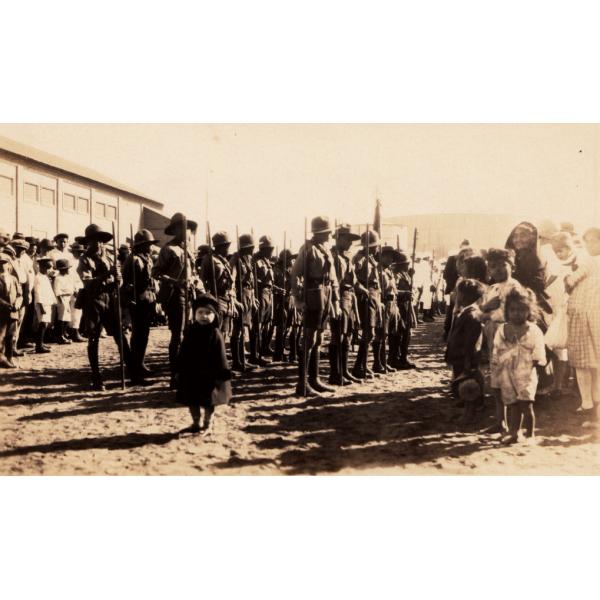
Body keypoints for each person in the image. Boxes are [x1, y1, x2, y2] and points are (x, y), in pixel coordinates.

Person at [78, 223, 135, 390]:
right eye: (94, 241)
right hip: (94, 301)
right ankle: (96, 377)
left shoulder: (110, 256)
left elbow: (119, 278)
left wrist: (119, 279)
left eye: (101, 241)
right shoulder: (84, 259)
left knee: (120, 336)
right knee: (94, 338)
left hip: (111, 298)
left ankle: (133, 372)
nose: (98, 244)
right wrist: (107, 274)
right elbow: (88, 283)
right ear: (88, 242)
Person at [291, 216, 340, 396]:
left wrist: (335, 301)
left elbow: (333, 277)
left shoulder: (325, 249)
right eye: (326, 233)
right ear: (319, 233)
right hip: (313, 294)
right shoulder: (308, 249)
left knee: (319, 338)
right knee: (309, 339)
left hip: (325, 294)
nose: (329, 236)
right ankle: (302, 384)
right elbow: (295, 274)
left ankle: (314, 379)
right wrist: (297, 299)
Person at [153, 212, 202, 388]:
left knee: (189, 335)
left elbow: (194, 272)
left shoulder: (189, 250)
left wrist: (195, 282)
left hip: (190, 295)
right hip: (176, 296)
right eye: (183, 228)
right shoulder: (168, 249)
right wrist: (176, 281)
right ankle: (175, 375)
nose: (187, 232)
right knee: (177, 335)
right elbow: (156, 272)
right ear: (176, 230)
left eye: (189, 228)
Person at [491, 288, 546, 444]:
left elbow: (539, 350)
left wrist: (532, 364)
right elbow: (496, 348)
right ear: (507, 311)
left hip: (526, 373)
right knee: (513, 404)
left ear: (529, 311)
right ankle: (514, 433)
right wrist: (497, 366)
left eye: (522, 310)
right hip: (507, 372)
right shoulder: (503, 329)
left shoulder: (534, 330)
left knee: (526, 404)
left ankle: (530, 434)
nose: (517, 313)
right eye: (513, 310)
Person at [479, 248, 523, 433]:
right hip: (492, 333)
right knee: (496, 381)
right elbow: (482, 315)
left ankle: (515, 428)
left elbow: (521, 315)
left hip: (508, 334)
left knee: (510, 382)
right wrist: (486, 307)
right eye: (492, 267)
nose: (497, 270)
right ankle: (500, 422)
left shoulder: (515, 288)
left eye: (502, 266)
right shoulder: (492, 288)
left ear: (512, 265)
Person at [175, 293, 232, 436]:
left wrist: (223, 372)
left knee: (209, 402)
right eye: (200, 312)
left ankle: (208, 424)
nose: (204, 316)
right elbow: (183, 351)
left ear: (214, 316)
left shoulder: (215, 333)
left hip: (209, 375)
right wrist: (178, 368)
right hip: (192, 373)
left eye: (208, 313)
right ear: (194, 314)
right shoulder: (190, 331)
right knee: (192, 399)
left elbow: (221, 356)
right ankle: (196, 422)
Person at [564, 227, 600, 426]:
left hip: (584, 315)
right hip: (595, 315)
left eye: (593, 241)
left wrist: (567, 281)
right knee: (595, 364)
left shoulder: (589, 261)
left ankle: (588, 403)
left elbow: (571, 280)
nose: (589, 246)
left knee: (582, 362)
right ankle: (593, 403)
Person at [444, 279, 485, 424]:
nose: (455, 295)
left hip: (465, 357)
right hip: (460, 356)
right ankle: (467, 412)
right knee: (463, 385)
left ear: (464, 296)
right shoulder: (465, 312)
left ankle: (469, 414)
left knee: (469, 387)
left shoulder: (472, 316)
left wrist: (468, 359)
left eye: (457, 292)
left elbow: (471, 341)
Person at [122, 229, 159, 383]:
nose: (151, 247)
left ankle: (140, 363)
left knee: (144, 335)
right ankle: (135, 369)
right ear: (142, 245)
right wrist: (131, 295)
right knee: (138, 335)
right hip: (138, 301)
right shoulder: (134, 259)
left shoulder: (147, 258)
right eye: (149, 244)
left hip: (148, 300)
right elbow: (128, 283)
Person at [329, 224, 362, 384]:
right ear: (339, 239)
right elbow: (335, 283)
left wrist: (364, 291)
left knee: (347, 336)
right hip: (339, 298)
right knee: (338, 336)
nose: (350, 243)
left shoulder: (346, 258)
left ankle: (345, 371)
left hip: (349, 298)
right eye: (348, 239)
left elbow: (354, 282)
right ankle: (335, 374)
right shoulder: (333, 258)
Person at [351, 229, 383, 379]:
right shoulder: (359, 259)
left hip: (374, 296)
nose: (377, 248)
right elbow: (352, 279)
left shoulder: (371, 258)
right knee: (368, 332)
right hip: (366, 296)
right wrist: (362, 290)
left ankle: (363, 365)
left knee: (372, 332)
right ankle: (358, 366)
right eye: (375, 245)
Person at [200, 231, 238, 340]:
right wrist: (208, 299)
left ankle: (220, 355)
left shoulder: (225, 261)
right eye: (227, 246)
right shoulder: (209, 259)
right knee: (214, 331)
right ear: (220, 247)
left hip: (226, 298)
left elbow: (231, 283)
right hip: (215, 297)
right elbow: (202, 280)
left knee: (224, 333)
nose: (228, 249)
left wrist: (232, 300)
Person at [229, 233, 257, 372]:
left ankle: (243, 360)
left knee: (243, 328)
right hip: (240, 295)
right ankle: (237, 362)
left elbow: (250, 281)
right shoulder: (236, 259)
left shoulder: (248, 258)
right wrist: (233, 298)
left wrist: (252, 298)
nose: (252, 250)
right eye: (250, 247)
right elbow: (232, 280)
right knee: (237, 330)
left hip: (247, 295)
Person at [249, 235, 275, 365]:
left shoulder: (266, 261)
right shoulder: (256, 261)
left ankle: (262, 350)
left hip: (268, 293)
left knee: (265, 324)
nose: (271, 251)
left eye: (272, 248)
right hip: (260, 293)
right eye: (269, 249)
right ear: (263, 249)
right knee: (257, 325)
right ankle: (255, 355)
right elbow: (253, 280)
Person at [392, 252, 416, 369]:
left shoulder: (406, 274)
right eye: (406, 264)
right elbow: (394, 291)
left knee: (407, 333)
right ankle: (395, 358)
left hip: (407, 306)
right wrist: (405, 293)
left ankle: (403, 357)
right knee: (399, 333)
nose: (408, 265)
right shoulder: (397, 275)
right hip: (400, 306)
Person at [0, 252, 21, 368]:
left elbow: (19, 294)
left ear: (9, 265)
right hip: (1, 312)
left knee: (11, 335)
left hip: (13, 312)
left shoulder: (13, 279)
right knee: (0, 336)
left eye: (5, 263)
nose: (2, 266)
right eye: (0, 263)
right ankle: (1, 359)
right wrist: (5, 304)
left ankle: (10, 357)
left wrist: (17, 303)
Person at [33, 256, 56, 354]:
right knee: (42, 324)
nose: (49, 270)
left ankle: (41, 343)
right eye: (47, 268)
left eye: (50, 268)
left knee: (45, 324)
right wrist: (41, 306)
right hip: (42, 304)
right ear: (41, 267)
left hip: (47, 303)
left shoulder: (44, 277)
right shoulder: (38, 278)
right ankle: (39, 346)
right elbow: (38, 293)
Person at [52, 259, 77, 344]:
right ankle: (60, 336)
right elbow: (57, 291)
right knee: (62, 317)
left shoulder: (67, 277)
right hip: (61, 298)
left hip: (68, 297)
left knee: (67, 317)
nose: (67, 270)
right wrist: (61, 302)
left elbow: (71, 287)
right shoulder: (58, 278)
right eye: (65, 269)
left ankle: (64, 333)